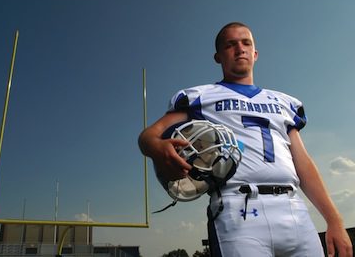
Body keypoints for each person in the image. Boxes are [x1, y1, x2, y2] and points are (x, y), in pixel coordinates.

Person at [138, 22, 352, 257]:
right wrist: (157, 147)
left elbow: (302, 162)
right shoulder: (200, 96)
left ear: (255, 53)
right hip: (237, 207)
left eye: (246, 43)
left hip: (293, 208)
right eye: (230, 45)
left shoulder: (284, 102)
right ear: (218, 56)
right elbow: (149, 136)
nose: (239, 49)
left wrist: (334, 219)